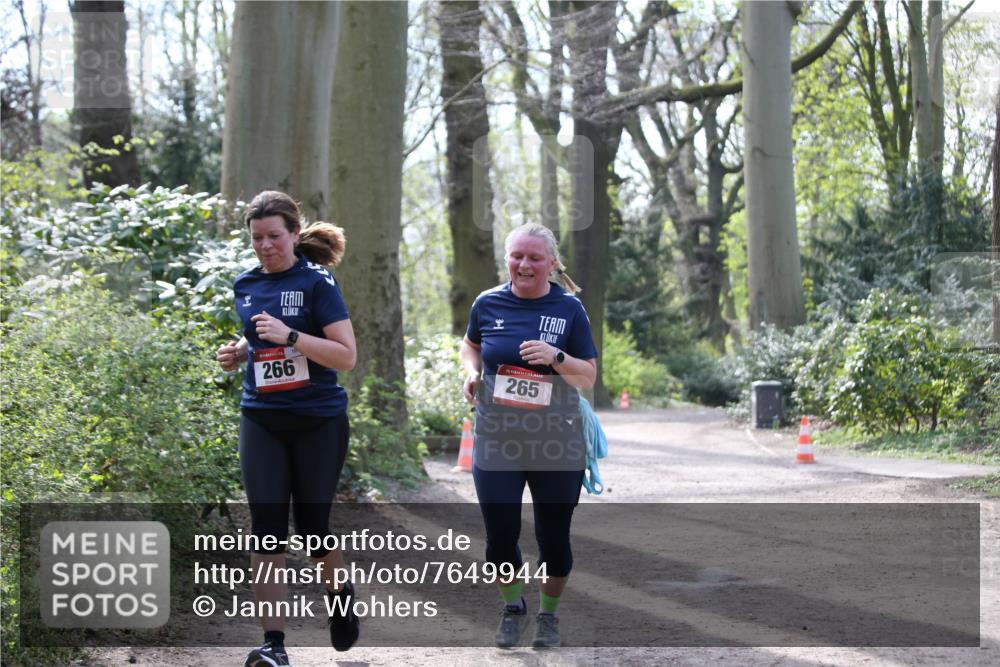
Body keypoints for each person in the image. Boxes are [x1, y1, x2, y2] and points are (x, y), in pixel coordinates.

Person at [215, 191, 360, 667]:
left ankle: (340, 595)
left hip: (318, 421)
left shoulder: (318, 282)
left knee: (314, 530)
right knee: (266, 531)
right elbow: (259, 334)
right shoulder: (246, 283)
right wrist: (240, 351)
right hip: (261, 418)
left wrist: (292, 336)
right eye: (257, 238)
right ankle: (274, 645)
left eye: (274, 236)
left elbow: (346, 356)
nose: (265, 246)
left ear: (295, 234)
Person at [459, 222, 598, 649]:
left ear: (551, 263)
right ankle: (513, 608)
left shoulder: (569, 309)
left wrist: (556, 357)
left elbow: (587, 377)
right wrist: (472, 372)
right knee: (500, 536)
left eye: (534, 257)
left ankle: (548, 615)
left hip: (556, 442)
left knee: (553, 539)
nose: (524, 264)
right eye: (517, 256)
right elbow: (470, 345)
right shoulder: (487, 303)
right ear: (507, 259)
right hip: (497, 438)